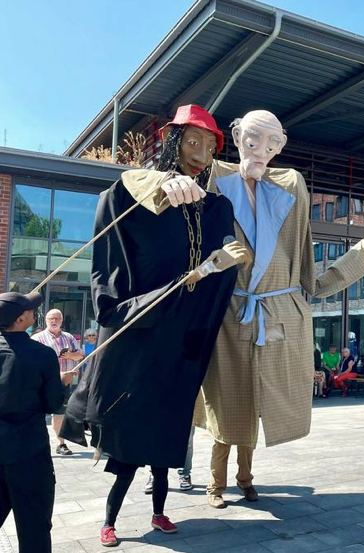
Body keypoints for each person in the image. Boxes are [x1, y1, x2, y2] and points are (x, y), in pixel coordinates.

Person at [191, 109, 364, 509]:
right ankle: (214, 484)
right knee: (227, 409)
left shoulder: (291, 187)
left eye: (272, 144)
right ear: (237, 137)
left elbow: (318, 280)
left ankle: (246, 478)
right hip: (229, 318)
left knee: (256, 408)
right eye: (254, 141)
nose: (262, 151)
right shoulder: (210, 177)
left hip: (278, 319)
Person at [60, 104, 249, 546]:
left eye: (209, 144)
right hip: (141, 331)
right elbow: (115, 263)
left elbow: (227, 261)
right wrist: (159, 185)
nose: (200, 151)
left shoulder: (217, 207)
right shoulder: (132, 193)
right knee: (128, 445)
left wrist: (224, 264)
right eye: (192, 140)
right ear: (173, 141)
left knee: (167, 439)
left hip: (182, 339)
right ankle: (109, 522)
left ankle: (160, 512)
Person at [0, 291, 73, 553]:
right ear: (21, 319)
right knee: (34, 529)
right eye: (31, 310)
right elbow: (52, 404)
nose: (35, 313)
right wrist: (62, 382)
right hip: (27, 452)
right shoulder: (41, 354)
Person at [31, 309, 84, 456]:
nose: (54, 321)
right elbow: (31, 360)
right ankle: (36, 443)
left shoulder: (69, 337)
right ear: (46, 320)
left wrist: (70, 355)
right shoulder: (37, 338)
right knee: (38, 412)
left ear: (61, 321)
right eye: (51, 318)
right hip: (42, 382)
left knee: (59, 412)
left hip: (64, 382)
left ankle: (61, 444)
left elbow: (80, 355)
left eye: (57, 319)